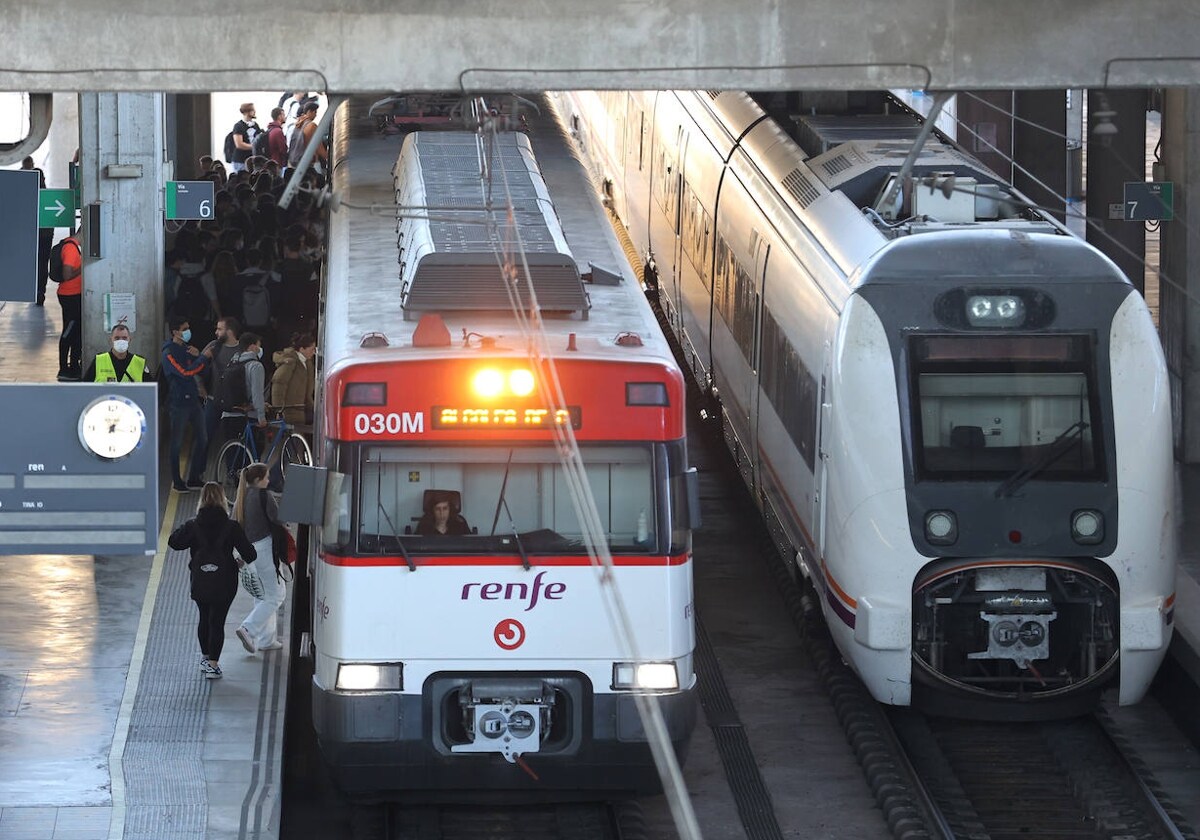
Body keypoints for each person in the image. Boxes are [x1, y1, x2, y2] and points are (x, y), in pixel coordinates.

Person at [168, 482, 257, 679]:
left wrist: (188, 529)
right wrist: (238, 561)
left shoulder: (193, 525)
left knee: (204, 617)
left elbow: (174, 542)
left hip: (200, 580)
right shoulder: (231, 527)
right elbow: (250, 554)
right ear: (223, 500)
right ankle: (213, 665)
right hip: (225, 581)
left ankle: (206, 658)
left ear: (201, 499)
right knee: (217, 621)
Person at [232, 463, 286, 653]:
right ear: (257, 480)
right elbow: (278, 519)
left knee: (262, 595)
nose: (269, 480)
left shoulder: (241, 498)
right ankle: (249, 628)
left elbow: (234, 526)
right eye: (266, 477)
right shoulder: (264, 495)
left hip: (246, 551)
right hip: (263, 549)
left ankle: (266, 640)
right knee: (276, 595)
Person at [162, 317, 209, 492]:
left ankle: (194, 477)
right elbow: (185, 372)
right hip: (178, 403)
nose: (188, 331)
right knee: (176, 444)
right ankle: (177, 481)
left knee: (203, 439)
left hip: (193, 401)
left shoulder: (187, 349)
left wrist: (199, 357)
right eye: (184, 328)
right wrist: (203, 358)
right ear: (175, 332)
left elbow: (201, 371)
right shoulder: (169, 352)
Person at [219, 331, 268, 446]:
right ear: (252, 346)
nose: (260, 349)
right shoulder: (255, 366)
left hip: (227, 414)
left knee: (232, 456)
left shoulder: (233, 361)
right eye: (258, 345)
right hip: (246, 417)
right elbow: (257, 394)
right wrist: (261, 417)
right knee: (251, 456)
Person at [21, 157, 54, 306]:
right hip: (46, 235)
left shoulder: (26, 195)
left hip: (31, 236)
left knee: (30, 263)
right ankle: (40, 291)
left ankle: (32, 290)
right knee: (42, 263)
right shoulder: (49, 197)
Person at [55, 227, 84, 380]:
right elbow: (67, 275)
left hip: (74, 295)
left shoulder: (73, 247)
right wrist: (83, 267)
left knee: (76, 332)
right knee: (69, 331)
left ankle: (74, 366)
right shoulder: (71, 248)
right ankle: (64, 369)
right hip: (69, 296)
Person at [270, 332, 315, 427]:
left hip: (299, 410)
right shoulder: (290, 363)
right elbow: (279, 385)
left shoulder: (307, 363)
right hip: (288, 411)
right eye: (311, 349)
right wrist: (278, 409)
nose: (313, 352)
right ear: (302, 349)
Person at [83, 323, 154, 382]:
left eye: (124, 338)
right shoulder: (99, 360)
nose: (121, 341)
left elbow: (151, 390)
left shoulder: (140, 362)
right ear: (111, 340)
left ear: (130, 340)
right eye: (117, 338)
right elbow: (85, 387)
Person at [230, 103, 260, 174]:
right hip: (240, 160)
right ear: (246, 112)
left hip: (252, 161)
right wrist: (254, 147)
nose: (255, 111)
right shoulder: (238, 126)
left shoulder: (255, 125)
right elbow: (239, 144)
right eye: (253, 110)